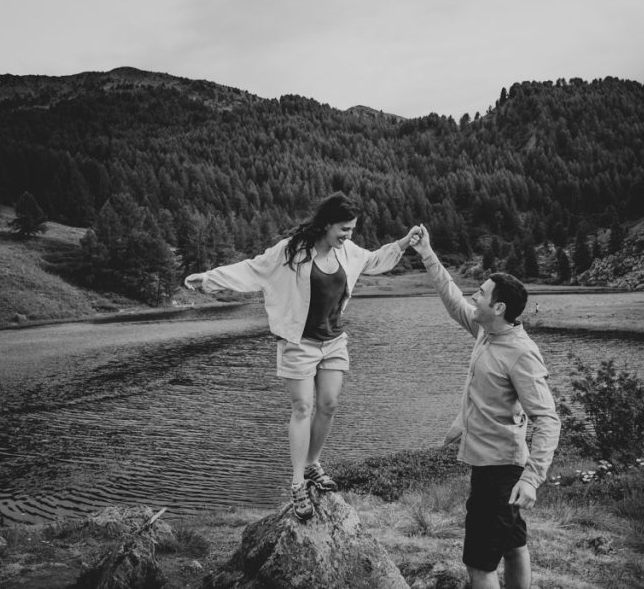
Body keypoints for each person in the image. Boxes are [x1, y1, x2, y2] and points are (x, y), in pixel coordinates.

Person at [185, 192, 421, 521]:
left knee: (328, 404)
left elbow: (375, 260)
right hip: (299, 343)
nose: (349, 236)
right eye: (344, 229)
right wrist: (209, 279)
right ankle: (297, 482)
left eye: (352, 229)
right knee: (302, 408)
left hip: (334, 341)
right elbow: (252, 269)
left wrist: (404, 242)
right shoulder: (291, 251)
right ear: (326, 224)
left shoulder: (348, 252)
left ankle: (313, 463)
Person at [411, 224, 560, 589]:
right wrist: (428, 254)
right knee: (513, 544)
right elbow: (452, 299)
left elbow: (548, 419)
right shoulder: (485, 330)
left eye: (481, 293)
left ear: (499, 307)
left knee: (479, 565)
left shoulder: (521, 354)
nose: (473, 297)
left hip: (502, 470)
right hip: (491, 463)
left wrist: (531, 477)